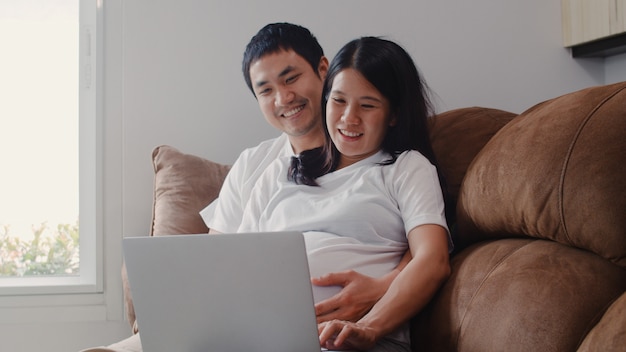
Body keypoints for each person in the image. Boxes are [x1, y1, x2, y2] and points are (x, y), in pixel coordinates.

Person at [238, 36, 452, 351]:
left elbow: (432, 260)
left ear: (393, 114)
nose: (349, 118)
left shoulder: (406, 168)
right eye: (338, 100)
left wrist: (368, 327)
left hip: (348, 342)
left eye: (367, 105)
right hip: (259, 337)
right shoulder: (279, 173)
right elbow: (233, 265)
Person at [203, 22, 412, 323]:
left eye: (291, 79)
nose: (283, 98)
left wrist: (384, 288)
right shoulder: (255, 166)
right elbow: (213, 262)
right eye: (266, 91)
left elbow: (427, 249)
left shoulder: (372, 149)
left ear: (323, 69)